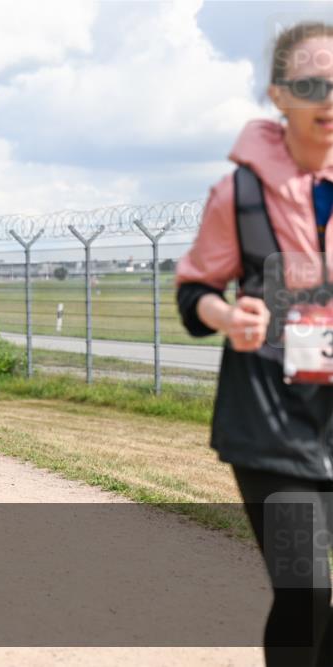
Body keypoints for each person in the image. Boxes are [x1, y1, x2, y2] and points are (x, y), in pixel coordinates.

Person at [175, 21, 333, 667]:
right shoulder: (237, 194)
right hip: (270, 420)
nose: (328, 98)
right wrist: (224, 314)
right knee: (307, 586)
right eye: (311, 84)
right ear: (280, 96)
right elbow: (194, 294)